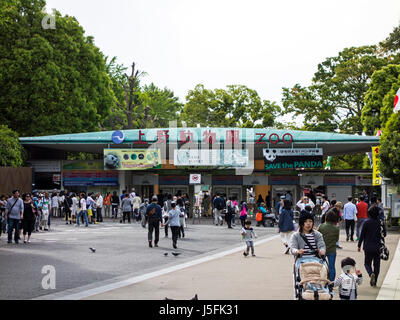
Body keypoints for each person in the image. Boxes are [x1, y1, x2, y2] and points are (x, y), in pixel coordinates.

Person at [358, 205, 386, 287]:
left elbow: (362, 235)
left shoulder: (366, 222)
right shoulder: (381, 222)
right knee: (377, 265)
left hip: (368, 246)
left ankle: (371, 274)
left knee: (367, 263)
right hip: (378, 247)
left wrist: (359, 245)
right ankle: (375, 281)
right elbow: (384, 234)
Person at [318, 211, 340, 281]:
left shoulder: (321, 226)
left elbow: (317, 238)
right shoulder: (336, 228)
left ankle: (322, 280)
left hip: (322, 250)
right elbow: (336, 239)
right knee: (332, 267)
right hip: (332, 250)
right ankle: (331, 282)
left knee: (321, 266)